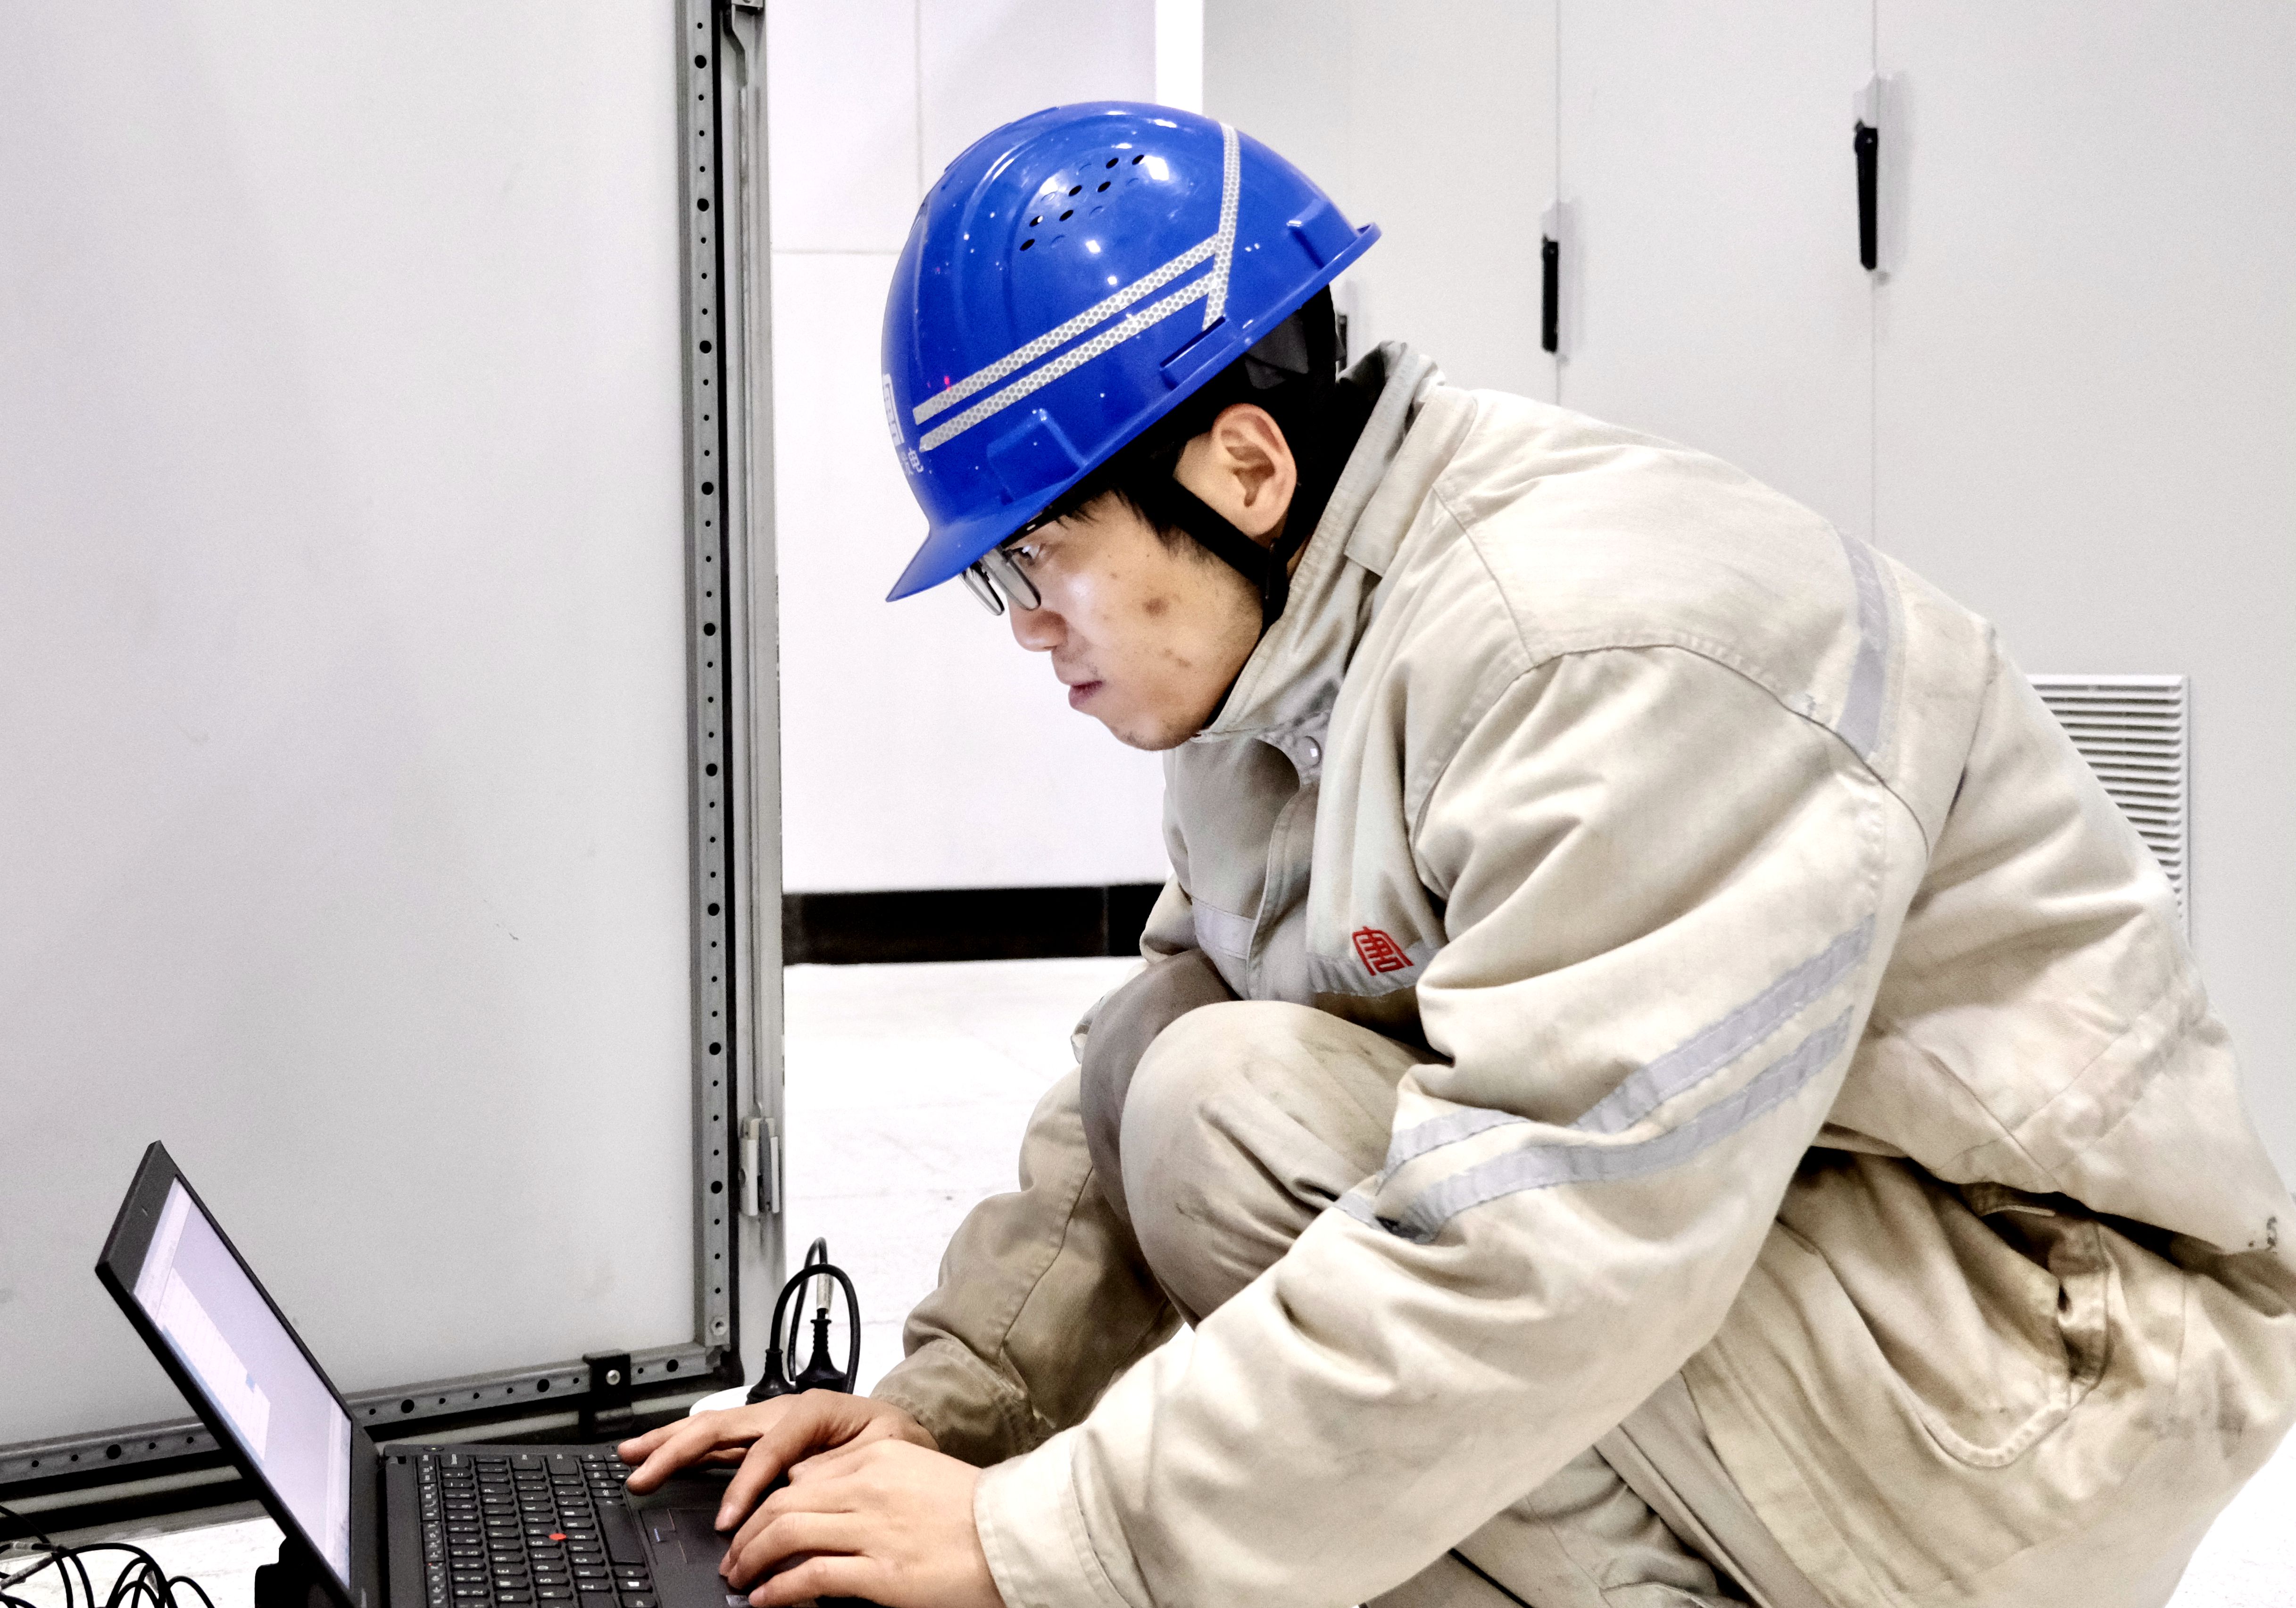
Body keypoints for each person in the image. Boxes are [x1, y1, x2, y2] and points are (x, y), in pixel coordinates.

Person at [617, 103, 2296, 1608]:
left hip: (2040, 1374)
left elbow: (1548, 1246)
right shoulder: (1286, 645)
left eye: (1037, 558)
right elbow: (1136, 1075)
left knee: (1235, 1114)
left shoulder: (1590, 647)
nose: (1026, 626)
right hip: (1818, 1287)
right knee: (1174, 1065)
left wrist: (1040, 1540)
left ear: (1244, 469)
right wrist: (951, 1416)